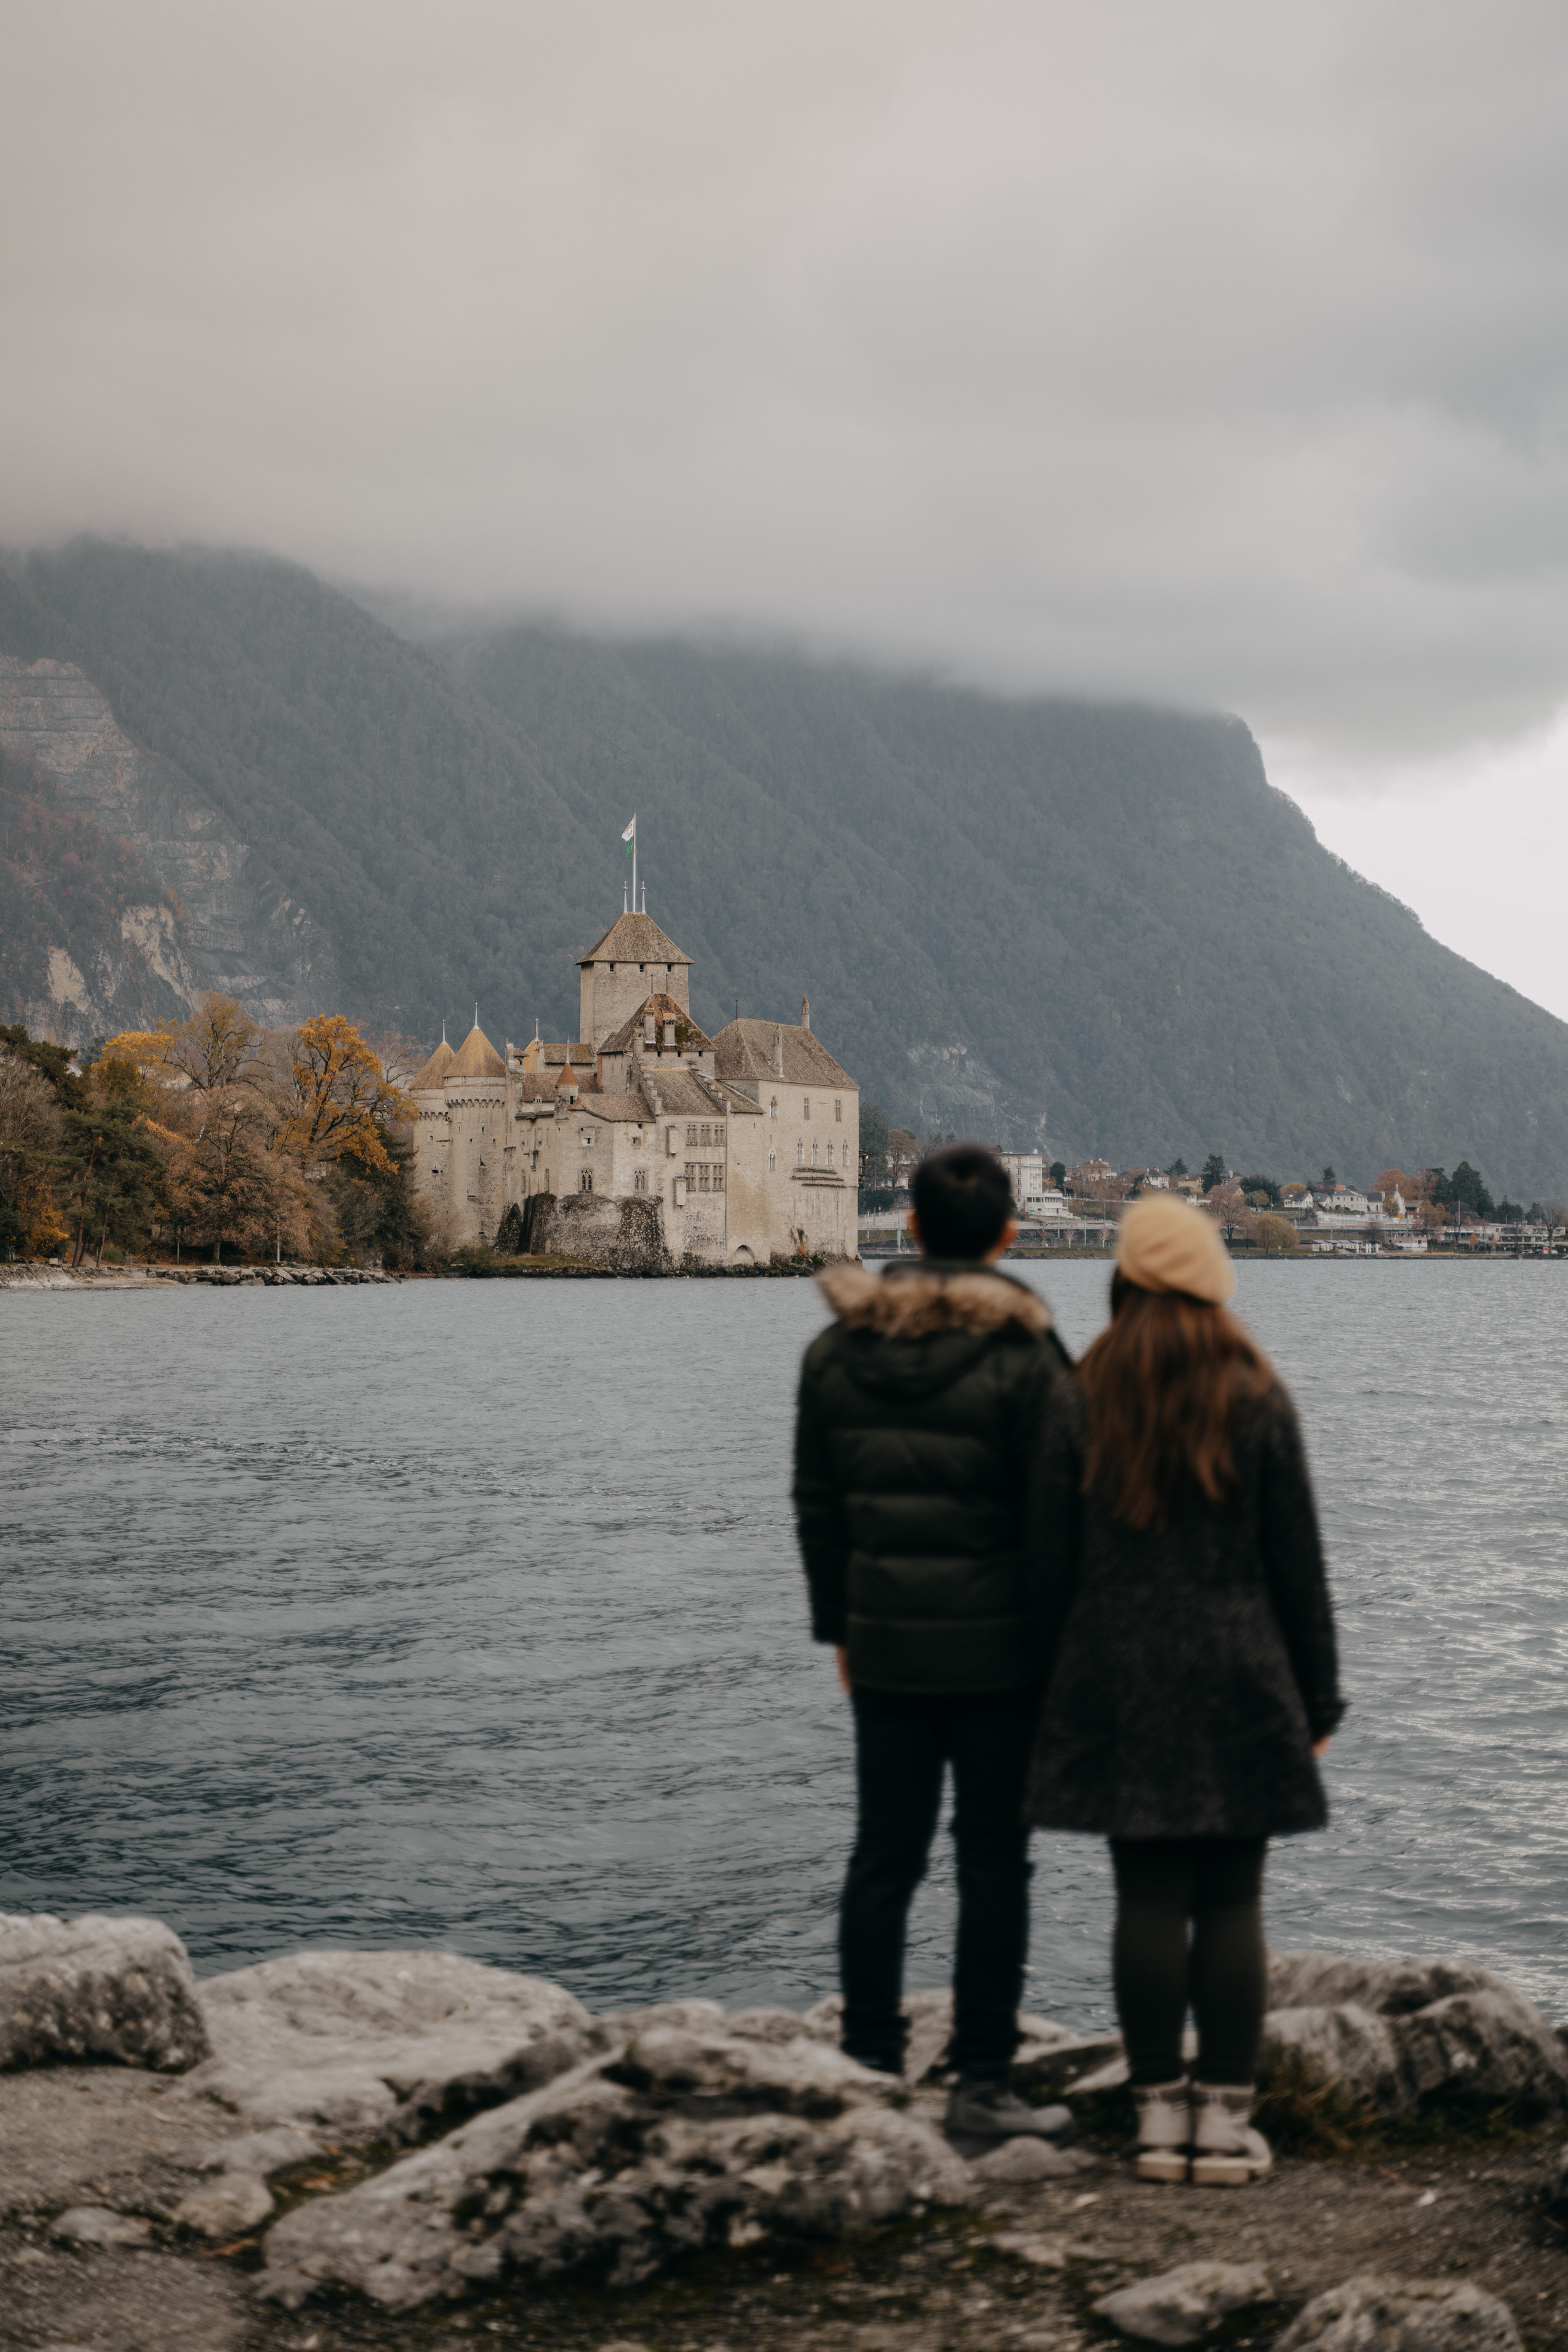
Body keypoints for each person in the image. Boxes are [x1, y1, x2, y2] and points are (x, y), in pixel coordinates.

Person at [1024, 1193, 1343, 2185]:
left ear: (1123, 1274)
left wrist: (1046, 1693)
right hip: (1243, 1673)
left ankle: (1158, 2120)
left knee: (1147, 1894)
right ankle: (1225, 2123)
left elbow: (1044, 1570)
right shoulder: (1256, 1391)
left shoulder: (1079, 1393)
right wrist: (1318, 1700)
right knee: (1234, 1897)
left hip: (1117, 1677)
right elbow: (1301, 1568)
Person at [793, 1143, 1075, 2152]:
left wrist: (840, 1629)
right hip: (1003, 1657)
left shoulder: (835, 1353)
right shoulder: (1029, 1357)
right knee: (995, 1861)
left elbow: (818, 1510)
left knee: (883, 1856)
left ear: (908, 1229)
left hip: (885, 1645)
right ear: (1007, 1234)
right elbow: (1059, 1521)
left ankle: (868, 2066)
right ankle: (983, 2084)